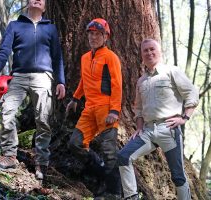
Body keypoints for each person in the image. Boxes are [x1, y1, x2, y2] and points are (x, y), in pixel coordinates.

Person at [0, 0, 65, 180]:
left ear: (45, 6)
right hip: (19, 76)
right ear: (28, 3)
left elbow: (57, 57)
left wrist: (60, 81)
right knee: (7, 112)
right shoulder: (15, 25)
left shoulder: (50, 28)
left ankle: (42, 163)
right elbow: (4, 51)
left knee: (43, 119)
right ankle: (9, 156)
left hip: (44, 77)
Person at [117, 39, 199, 200]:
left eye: (152, 49)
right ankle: (131, 197)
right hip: (148, 131)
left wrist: (184, 118)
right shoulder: (141, 81)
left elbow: (192, 93)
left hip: (169, 130)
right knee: (123, 156)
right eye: (145, 50)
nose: (149, 53)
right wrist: (139, 127)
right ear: (141, 55)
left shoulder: (171, 71)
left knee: (178, 176)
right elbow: (138, 109)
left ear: (159, 51)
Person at [66, 18, 122, 199]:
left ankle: (114, 193)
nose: (94, 37)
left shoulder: (110, 57)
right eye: (91, 33)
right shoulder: (84, 58)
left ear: (105, 37)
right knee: (75, 143)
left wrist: (115, 110)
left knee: (109, 152)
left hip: (106, 108)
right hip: (89, 109)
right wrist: (75, 98)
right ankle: (100, 174)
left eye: (98, 34)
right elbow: (84, 81)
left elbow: (117, 84)